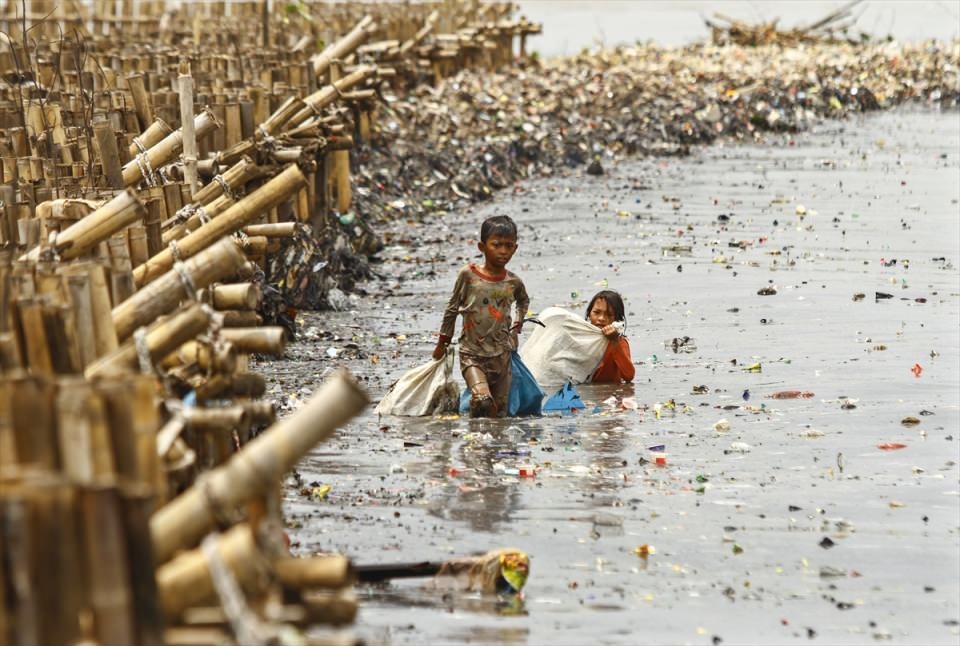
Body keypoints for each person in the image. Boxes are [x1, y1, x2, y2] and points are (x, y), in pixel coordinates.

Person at [432, 215, 530, 418]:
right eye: (496, 245)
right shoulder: (468, 275)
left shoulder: (513, 282)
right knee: (482, 400)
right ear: (482, 246)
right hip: (472, 354)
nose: (503, 251)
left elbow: (523, 301)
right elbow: (452, 309)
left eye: (508, 246)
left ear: (515, 248)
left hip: (502, 356)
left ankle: (491, 445)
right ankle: (475, 444)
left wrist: (516, 328)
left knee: (499, 414)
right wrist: (443, 342)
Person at [585, 290, 635, 383]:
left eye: (609, 315)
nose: (601, 318)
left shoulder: (619, 342)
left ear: (616, 319)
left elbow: (629, 376)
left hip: (609, 395)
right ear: (589, 314)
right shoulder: (579, 338)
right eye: (596, 312)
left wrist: (614, 341)